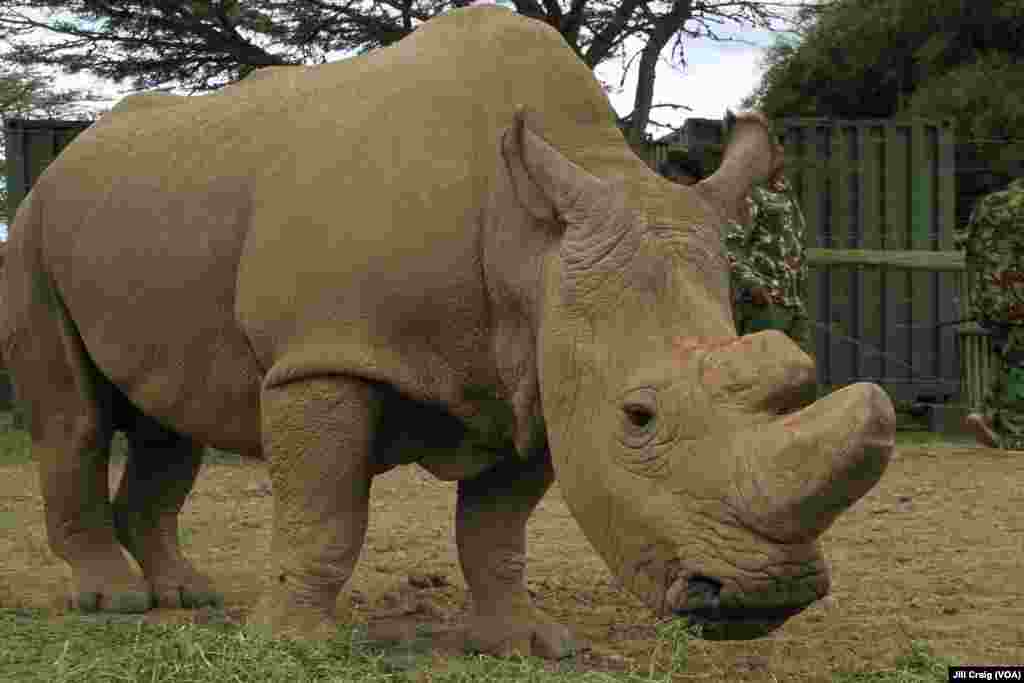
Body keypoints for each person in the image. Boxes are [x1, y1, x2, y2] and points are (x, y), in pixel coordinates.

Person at [660, 149, 812, 357]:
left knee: (797, 368)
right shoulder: (746, 197)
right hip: (754, 302)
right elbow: (731, 246)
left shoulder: (786, 198)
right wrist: (752, 285)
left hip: (785, 301)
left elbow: (795, 243)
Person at [956, 177, 1024, 450]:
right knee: (1019, 362)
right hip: (1017, 298)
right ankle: (1014, 432)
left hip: (986, 296)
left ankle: (988, 415)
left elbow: (969, 246)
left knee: (1010, 357)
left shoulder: (988, 203)